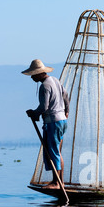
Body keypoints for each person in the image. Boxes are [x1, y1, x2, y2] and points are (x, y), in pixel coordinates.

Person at [22, 59, 70, 190]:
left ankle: (56, 183)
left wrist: (34, 113)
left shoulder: (45, 86)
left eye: (33, 74)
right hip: (62, 121)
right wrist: (67, 111)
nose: (32, 77)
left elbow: (44, 106)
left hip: (53, 122)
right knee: (57, 152)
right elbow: (65, 95)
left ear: (39, 73)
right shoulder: (55, 80)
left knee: (53, 152)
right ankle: (61, 182)